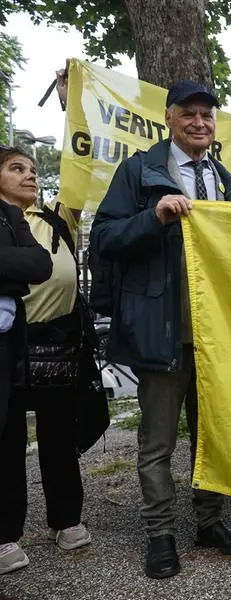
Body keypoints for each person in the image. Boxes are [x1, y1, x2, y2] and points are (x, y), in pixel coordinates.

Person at [91, 81, 231, 579]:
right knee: (158, 441)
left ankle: (208, 522)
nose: (199, 123)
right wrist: (155, 217)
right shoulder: (139, 171)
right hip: (162, 331)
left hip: (215, 337)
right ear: (168, 118)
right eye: (188, 114)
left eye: (207, 116)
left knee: (211, 438)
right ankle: (160, 534)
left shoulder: (224, 180)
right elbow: (104, 238)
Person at [0, 148, 53, 575]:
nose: (29, 177)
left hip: (8, 348)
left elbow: (39, 264)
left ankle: (5, 536)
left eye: (33, 170)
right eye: (17, 169)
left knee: (10, 439)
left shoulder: (16, 219)